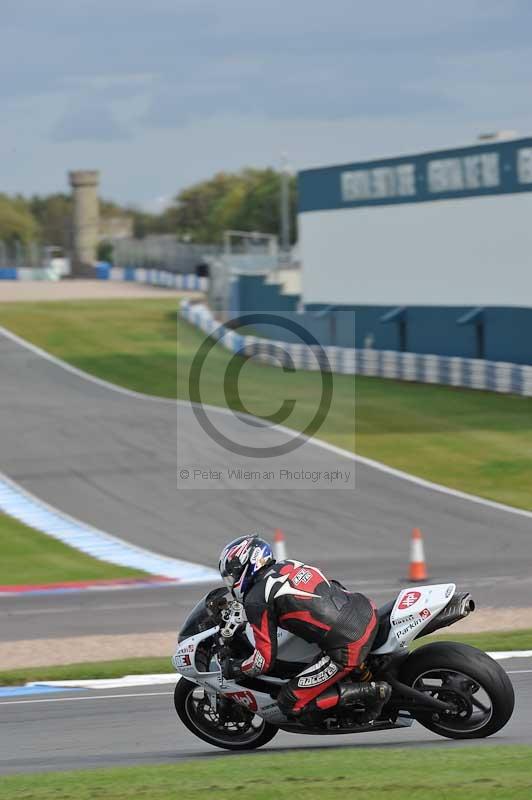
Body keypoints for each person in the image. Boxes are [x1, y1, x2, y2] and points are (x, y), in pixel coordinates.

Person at [218, 534, 391, 720]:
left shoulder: (256, 599)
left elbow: (264, 661)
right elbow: (332, 586)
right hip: (365, 608)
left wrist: (235, 668)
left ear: (248, 564)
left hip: (349, 644)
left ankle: (373, 692)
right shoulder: (289, 565)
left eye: (233, 575)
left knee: (290, 702)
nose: (231, 581)